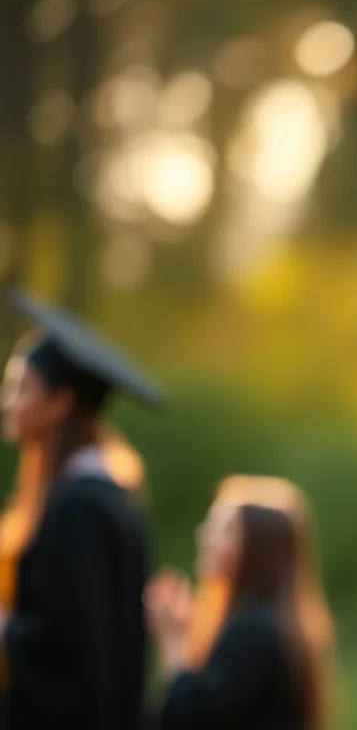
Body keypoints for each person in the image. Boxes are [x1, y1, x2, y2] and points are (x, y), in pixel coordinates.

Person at [0, 288, 163, 729]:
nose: (6, 403)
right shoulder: (103, 495)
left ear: (61, 403)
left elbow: (71, 651)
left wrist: (5, 628)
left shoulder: (80, 506)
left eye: (20, 387)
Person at [145, 474, 334, 730]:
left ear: (258, 547)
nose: (204, 536)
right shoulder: (271, 623)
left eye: (223, 529)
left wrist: (173, 640)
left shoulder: (254, 631)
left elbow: (192, 719)